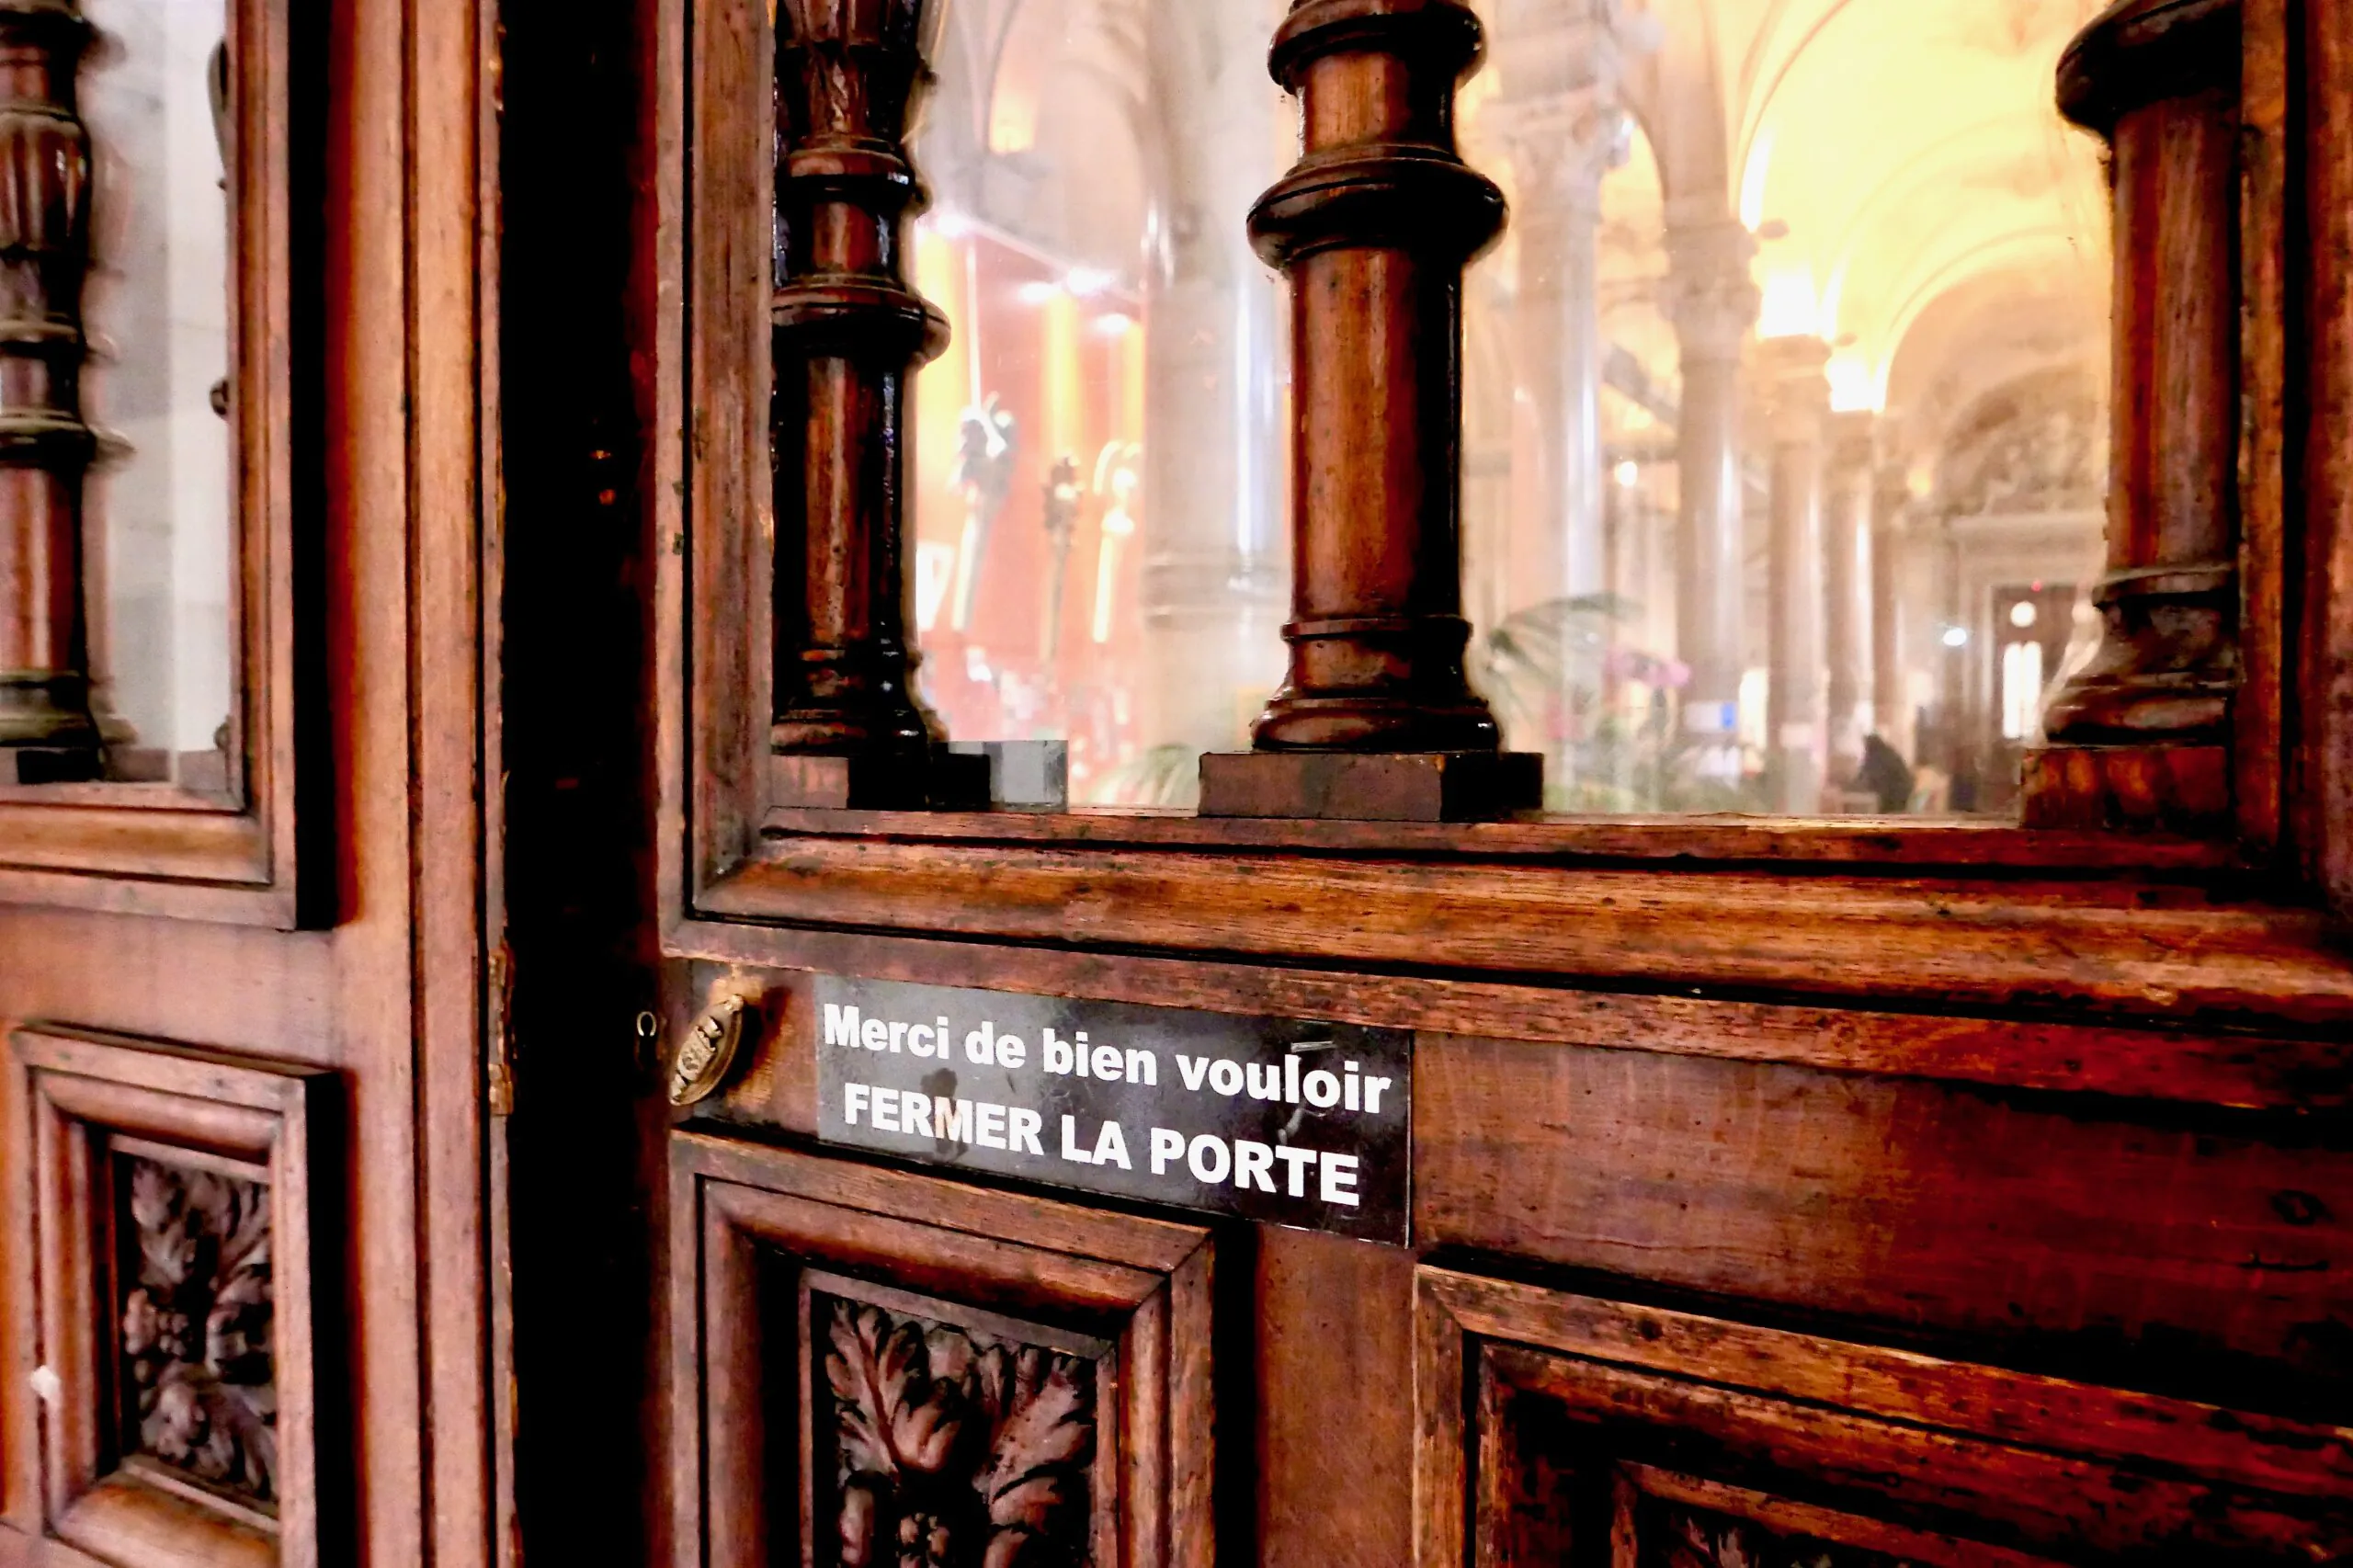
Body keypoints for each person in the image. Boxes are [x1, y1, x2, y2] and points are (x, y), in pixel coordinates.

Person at [1854, 733, 1917, 814]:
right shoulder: (1888, 752)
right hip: (1902, 793)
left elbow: (1869, 773)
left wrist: (1856, 785)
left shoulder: (1877, 755)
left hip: (1893, 795)